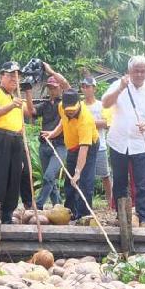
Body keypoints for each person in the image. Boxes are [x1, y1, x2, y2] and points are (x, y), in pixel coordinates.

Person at [102, 56, 145, 227]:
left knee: (143, 183)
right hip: (118, 142)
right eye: (136, 70)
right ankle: (121, 216)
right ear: (129, 71)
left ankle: (143, 219)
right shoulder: (118, 85)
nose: (139, 74)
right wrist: (120, 87)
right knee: (120, 182)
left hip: (141, 143)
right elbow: (105, 103)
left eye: (142, 71)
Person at [0, 61, 31, 223]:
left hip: (16, 139)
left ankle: (7, 215)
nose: (14, 79)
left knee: (14, 177)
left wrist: (28, 93)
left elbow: (30, 112)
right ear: (1, 76)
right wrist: (12, 105)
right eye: (11, 75)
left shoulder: (16, 97)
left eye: (17, 76)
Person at [43, 89, 99, 219]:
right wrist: (53, 134)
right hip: (72, 147)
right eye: (68, 110)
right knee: (69, 181)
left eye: (72, 111)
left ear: (78, 104)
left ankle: (84, 215)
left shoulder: (86, 119)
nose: (70, 113)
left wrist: (78, 172)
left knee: (84, 181)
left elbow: (84, 149)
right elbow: (62, 122)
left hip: (88, 147)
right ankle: (70, 212)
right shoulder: (62, 107)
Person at [24, 64, 68, 210]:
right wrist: (28, 92)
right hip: (44, 146)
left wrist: (50, 71)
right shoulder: (45, 104)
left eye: (55, 87)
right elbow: (31, 112)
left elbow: (66, 84)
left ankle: (38, 205)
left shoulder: (66, 103)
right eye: (50, 87)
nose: (52, 90)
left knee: (49, 176)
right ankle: (58, 207)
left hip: (60, 145)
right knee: (51, 181)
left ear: (60, 88)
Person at [82, 76, 113, 205]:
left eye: (88, 86)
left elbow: (107, 123)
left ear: (94, 88)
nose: (85, 89)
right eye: (83, 87)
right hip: (83, 145)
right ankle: (84, 202)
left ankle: (111, 202)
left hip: (100, 145)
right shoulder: (80, 105)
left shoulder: (102, 105)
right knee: (84, 176)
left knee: (105, 175)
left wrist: (89, 123)